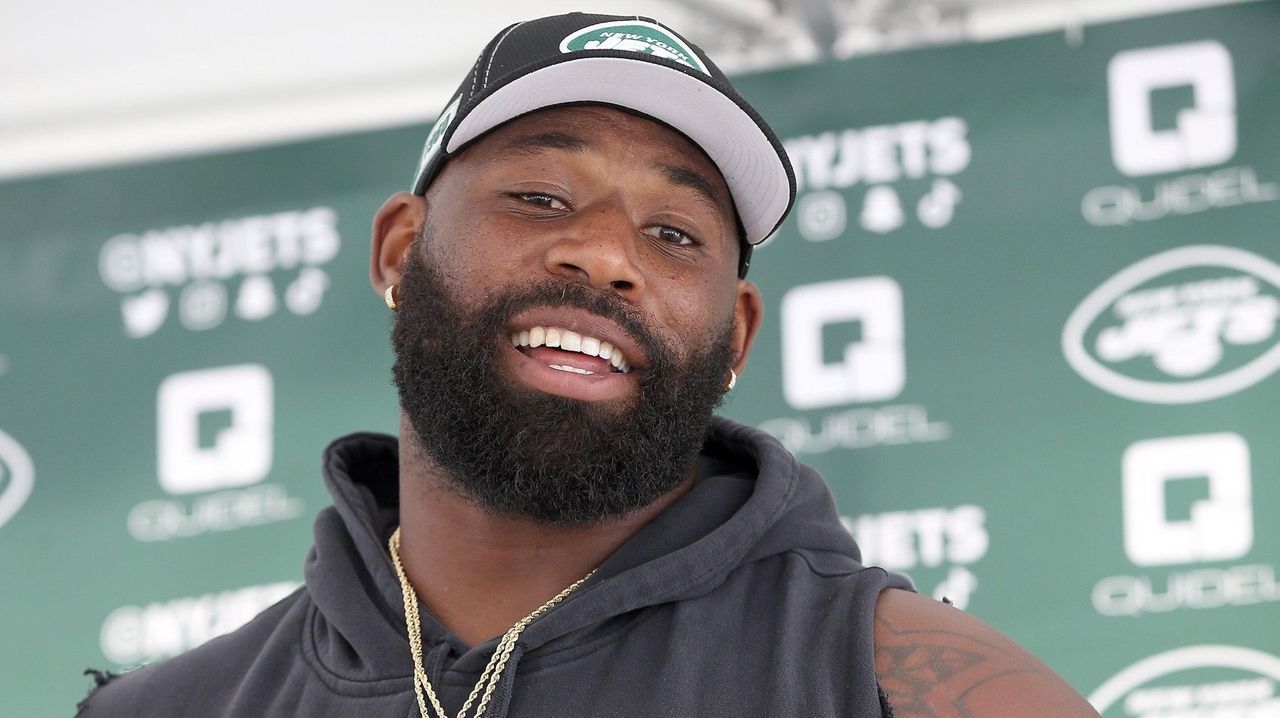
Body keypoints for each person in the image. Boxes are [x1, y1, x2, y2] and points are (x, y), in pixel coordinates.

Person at [77, 12, 1100, 718]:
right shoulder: (172, 708)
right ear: (399, 249)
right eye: (539, 199)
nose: (605, 255)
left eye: (673, 233)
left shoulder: (892, 678)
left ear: (736, 336)